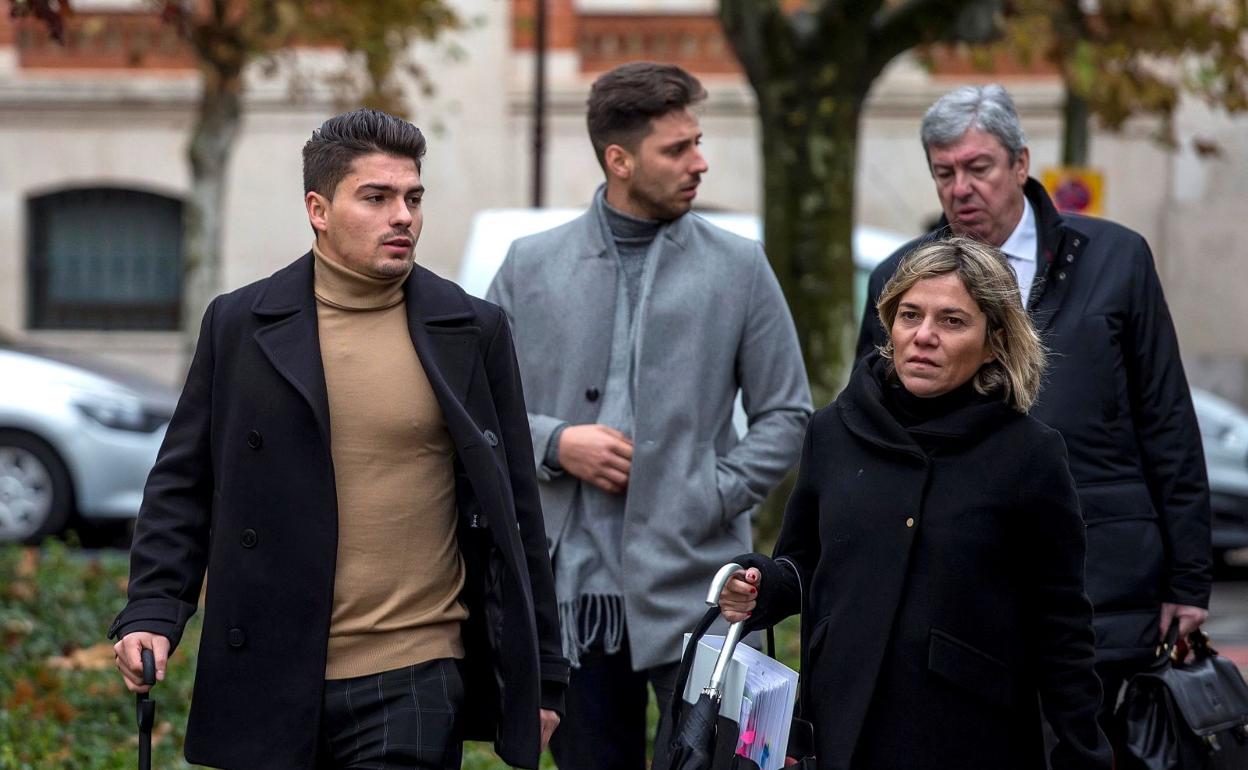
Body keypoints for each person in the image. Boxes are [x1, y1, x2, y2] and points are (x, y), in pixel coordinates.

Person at [109, 109, 567, 770]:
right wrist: (153, 608)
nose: (403, 216)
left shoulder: (471, 329)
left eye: (412, 198)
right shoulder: (241, 324)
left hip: (415, 669)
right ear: (318, 209)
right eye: (376, 198)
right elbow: (184, 484)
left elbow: (516, 512)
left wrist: (542, 674)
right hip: (270, 667)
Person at [855, 85, 1212, 749]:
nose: (961, 188)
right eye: (944, 172)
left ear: (1021, 163)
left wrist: (1189, 579)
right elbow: (872, 438)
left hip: (1103, 580)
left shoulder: (1116, 259)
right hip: (958, 593)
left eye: (978, 168)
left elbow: (1166, 421)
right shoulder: (901, 280)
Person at [487, 61, 811, 770]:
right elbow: (482, 410)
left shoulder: (739, 266)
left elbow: (787, 414)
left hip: (707, 590)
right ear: (619, 159)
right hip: (576, 599)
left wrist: (709, 493)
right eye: (677, 149)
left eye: (697, 143)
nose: (700, 164)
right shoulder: (529, 265)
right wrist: (556, 442)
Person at [722, 237, 1114, 770]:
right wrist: (760, 584)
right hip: (843, 726)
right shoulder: (833, 431)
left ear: (995, 341)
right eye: (910, 315)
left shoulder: (1030, 455)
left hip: (968, 737)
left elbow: (1062, 625)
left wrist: (1082, 752)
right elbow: (805, 564)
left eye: (952, 321)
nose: (923, 336)